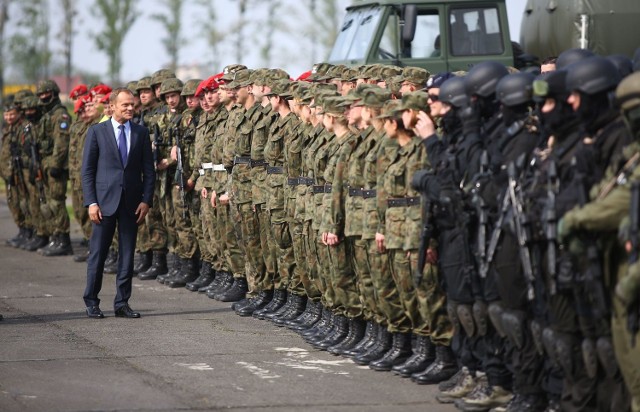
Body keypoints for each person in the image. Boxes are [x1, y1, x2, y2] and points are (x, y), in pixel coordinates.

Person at [81, 88, 155, 319]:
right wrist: (91, 202)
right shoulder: (97, 132)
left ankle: (122, 303)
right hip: (103, 204)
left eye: (132, 105)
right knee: (98, 254)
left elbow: (148, 171)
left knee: (127, 255)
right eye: (125, 105)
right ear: (112, 106)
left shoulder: (141, 133)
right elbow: (87, 171)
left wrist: (146, 200)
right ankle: (92, 301)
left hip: (131, 204)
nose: (130, 108)